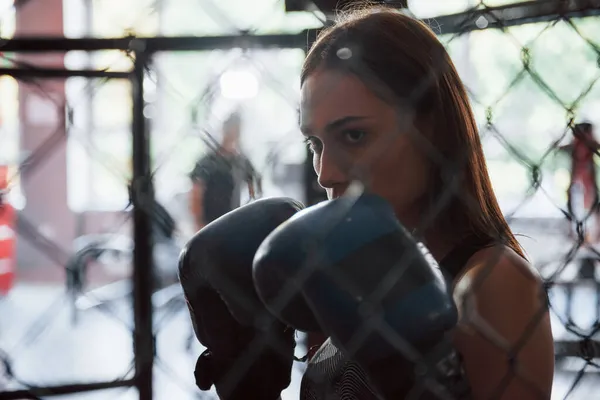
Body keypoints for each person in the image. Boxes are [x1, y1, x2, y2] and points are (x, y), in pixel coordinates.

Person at [294, 6, 554, 399]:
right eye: (315, 144)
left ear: (430, 130)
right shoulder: (361, 273)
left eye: (354, 136)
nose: (325, 174)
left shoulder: (492, 283)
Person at [189, 111, 261, 231]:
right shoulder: (207, 161)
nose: (234, 134)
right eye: (231, 129)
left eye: (237, 130)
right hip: (209, 223)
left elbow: (253, 187)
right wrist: (198, 223)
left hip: (233, 220)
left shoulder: (241, 161)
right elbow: (196, 192)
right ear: (223, 130)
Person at [559, 122, 600, 244]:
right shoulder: (576, 144)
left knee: (591, 209)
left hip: (588, 184)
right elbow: (560, 147)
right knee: (577, 209)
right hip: (577, 184)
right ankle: (580, 237)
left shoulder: (589, 144)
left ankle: (590, 237)